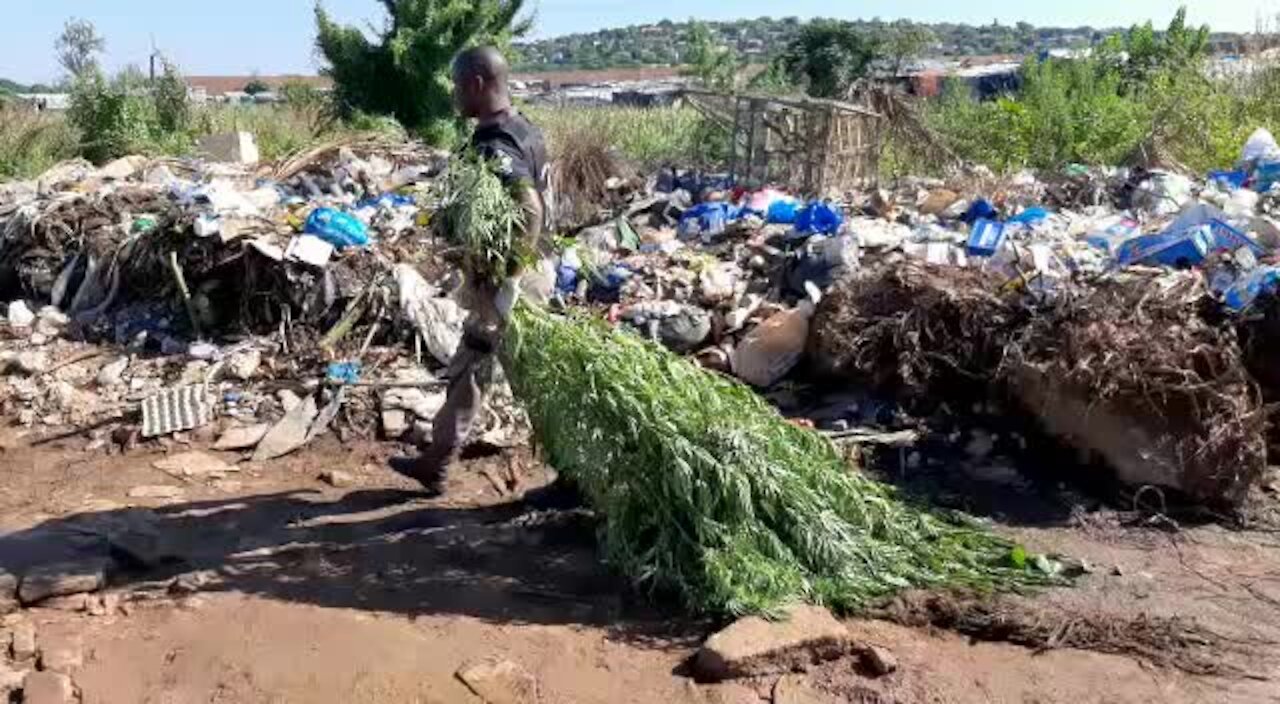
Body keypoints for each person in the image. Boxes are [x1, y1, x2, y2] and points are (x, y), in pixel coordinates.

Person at [390, 46, 553, 495]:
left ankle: (572, 475)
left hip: (512, 284)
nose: (454, 95)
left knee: (533, 381)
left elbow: (530, 208)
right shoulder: (524, 129)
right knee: (469, 367)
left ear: (477, 84)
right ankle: (436, 462)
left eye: (458, 85)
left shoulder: (496, 142)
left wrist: (509, 280)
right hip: (520, 275)